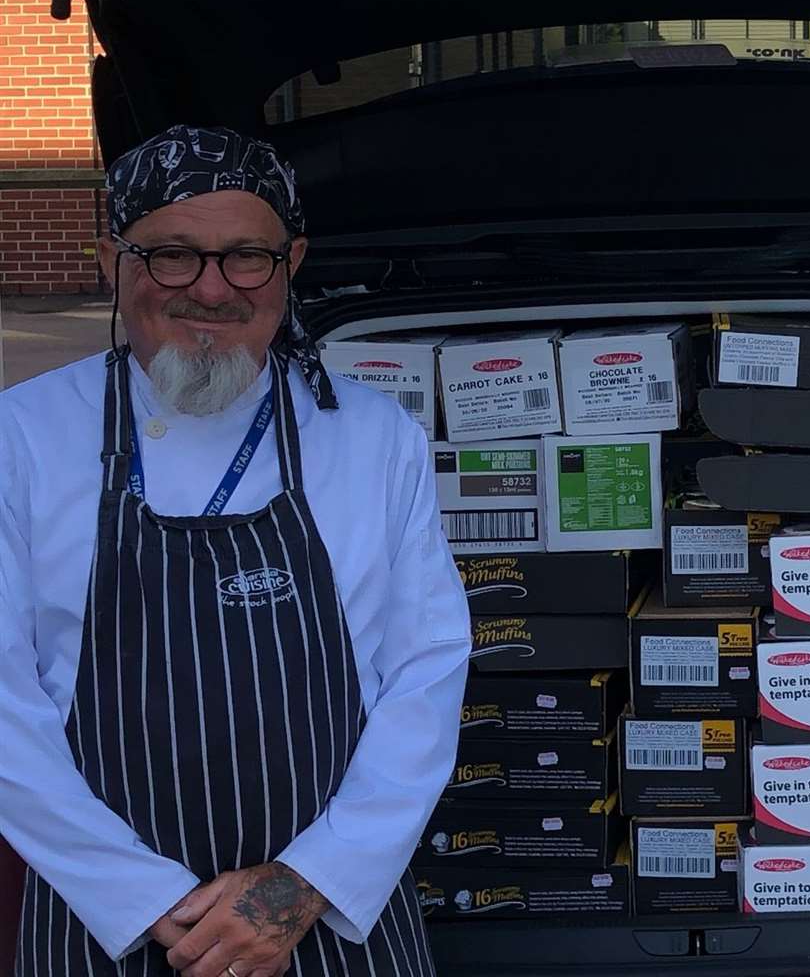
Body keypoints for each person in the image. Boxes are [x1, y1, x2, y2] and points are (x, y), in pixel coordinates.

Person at [0, 125, 471, 976]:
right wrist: (144, 899)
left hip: (330, 920)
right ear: (112, 261)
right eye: (171, 256)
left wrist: (301, 886)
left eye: (246, 257)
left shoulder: (372, 438)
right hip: (109, 928)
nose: (211, 290)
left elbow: (425, 678)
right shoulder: (22, 438)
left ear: (291, 262)